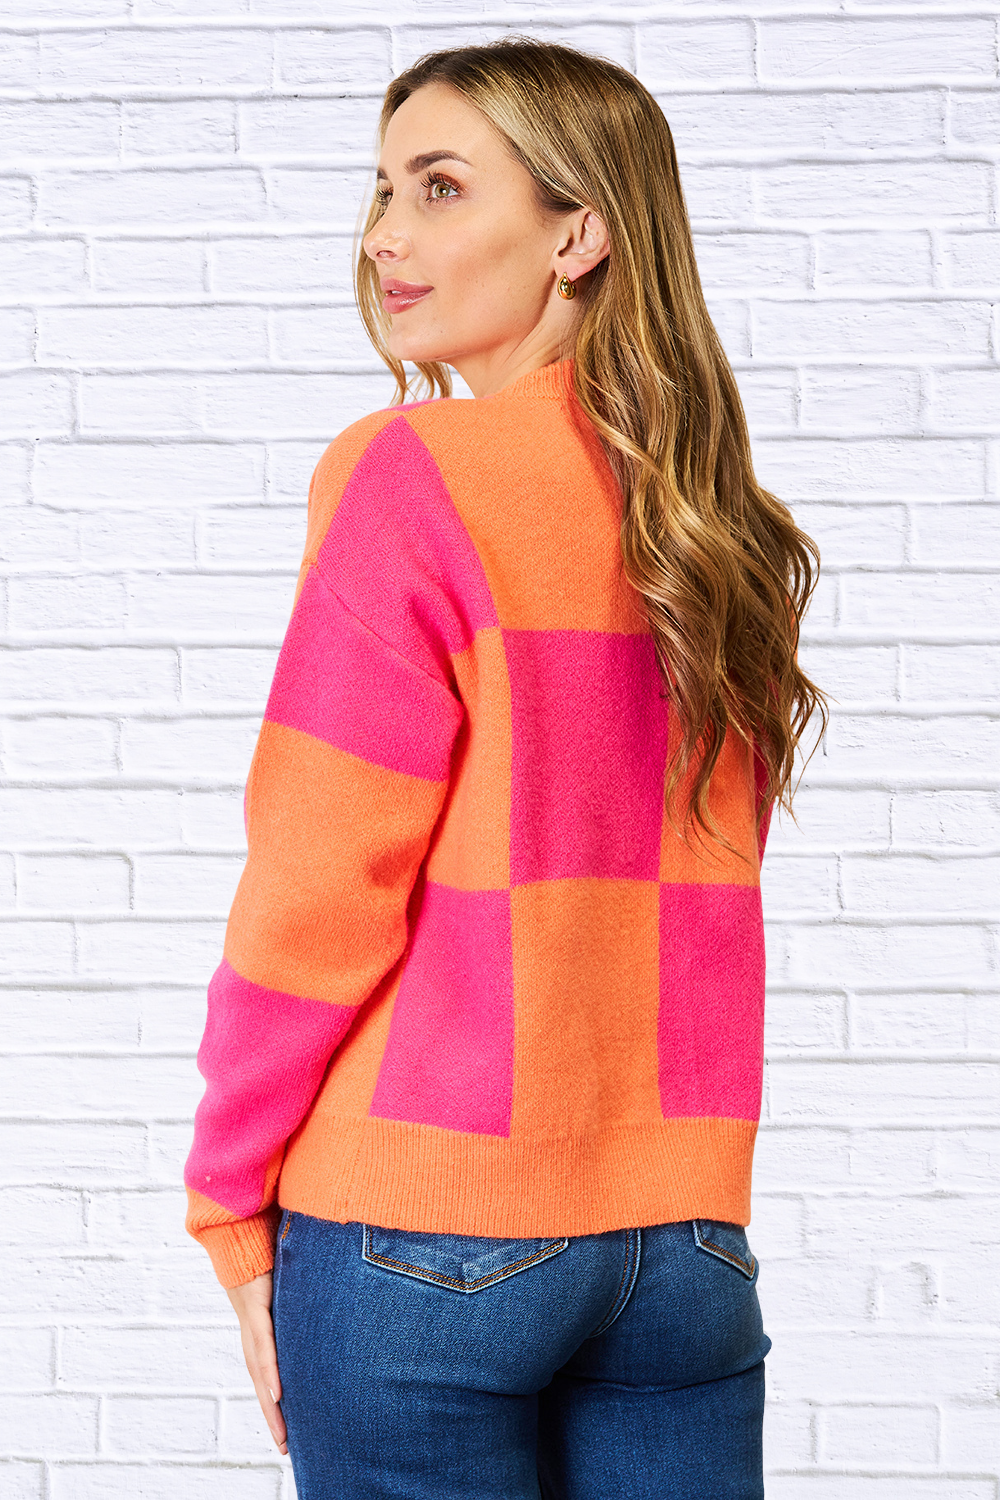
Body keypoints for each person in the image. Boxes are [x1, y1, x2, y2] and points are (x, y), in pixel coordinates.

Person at [183, 36, 827, 1500]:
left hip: (421, 1232)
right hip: (682, 1246)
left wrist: (228, 1197)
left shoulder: (413, 475)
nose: (384, 234)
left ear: (579, 231)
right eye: (382, 189)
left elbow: (318, 887)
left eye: (440, 187)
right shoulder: (714, 529)